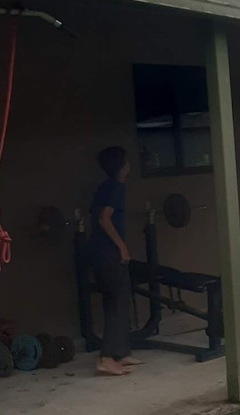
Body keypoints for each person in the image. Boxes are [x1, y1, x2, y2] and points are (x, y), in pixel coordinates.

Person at [88, 146, 143, 376]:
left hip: (98, 252)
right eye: (127, 162)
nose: (129, 166)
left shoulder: (104, 187)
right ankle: (106, 357)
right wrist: (122, 246)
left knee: (117, 299)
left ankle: (121, 351)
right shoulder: (116, 189)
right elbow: (104, 218)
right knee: (117, 301)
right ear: (121, 167)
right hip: (108, 252)